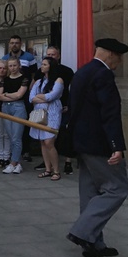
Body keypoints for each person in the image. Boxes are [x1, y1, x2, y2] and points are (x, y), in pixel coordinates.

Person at [66, 38, 128, 257]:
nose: (120, 62)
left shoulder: (83, 71)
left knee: (90, 191)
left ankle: (94, 243)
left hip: (82, 142)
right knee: (117, 188)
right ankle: (83, 232)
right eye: (119, 57)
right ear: (110, 54)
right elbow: (109, 114)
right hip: (99, 144)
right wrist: (117, 146)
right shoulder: (103, 75)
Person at [34, 46, 75, 175]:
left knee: (63, 134)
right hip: (43, 110)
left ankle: (67, 162)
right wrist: (41, 98)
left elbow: (70, 90)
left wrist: (69, 104)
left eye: (53, 54)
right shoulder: (40, 74)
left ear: (58, 56)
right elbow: (32, 94)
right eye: (48, 54)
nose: (50, 56)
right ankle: (48, 166)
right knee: (45, 140)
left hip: (62, 107)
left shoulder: (66, 72)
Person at [1, 35, 37, 162]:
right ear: (9, 44)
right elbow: (2, 75)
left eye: (16, 43)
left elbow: (34, 75)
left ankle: (25, 150)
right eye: (12, 43)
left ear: (20, 44)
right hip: (9, 95)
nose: (14, 45)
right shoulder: (5, 58)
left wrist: (30, 88)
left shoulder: (29, 57)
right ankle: (13, 154)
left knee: (24, 124)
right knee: (10, 130)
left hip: (24, 93)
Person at [29, 57, 64, 181]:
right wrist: (41, 97)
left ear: (50, 66)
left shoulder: (58, 80)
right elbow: (31, 97)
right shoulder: (39, 81)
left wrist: (40, 96)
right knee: (43, 141)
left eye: (44, 64)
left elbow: (52, 96)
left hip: (53, 112)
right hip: (40, 112)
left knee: (49, 141)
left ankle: (56, 170)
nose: (41, 66)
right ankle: (48, 169)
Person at [0, 57, 29, 174]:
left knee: (16, 136)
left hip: (18, 107)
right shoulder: (5, 80)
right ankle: (17, 163)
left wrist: (6, 94)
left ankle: (13, 163)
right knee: (11, 137)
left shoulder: (24, 78)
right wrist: (9, 95)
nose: (12, 68)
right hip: (6, 107)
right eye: (10, 66)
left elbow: (19, 95)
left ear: (19, 65)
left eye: (14, 65)